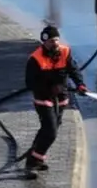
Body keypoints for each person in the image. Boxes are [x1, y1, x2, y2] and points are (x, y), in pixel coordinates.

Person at [24, 25, 86, 174]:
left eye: (57, 40)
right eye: (52, 41)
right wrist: (48, 89)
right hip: (43, 99)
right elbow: (30, 83)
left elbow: (73, 70)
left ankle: (35, 157)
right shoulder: (35, 59)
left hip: (61, 99)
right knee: (51, 131)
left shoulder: (65, 52)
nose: (55, 44)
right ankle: (32, 163)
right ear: (44, 42)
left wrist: (80, 84)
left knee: (48, 130)